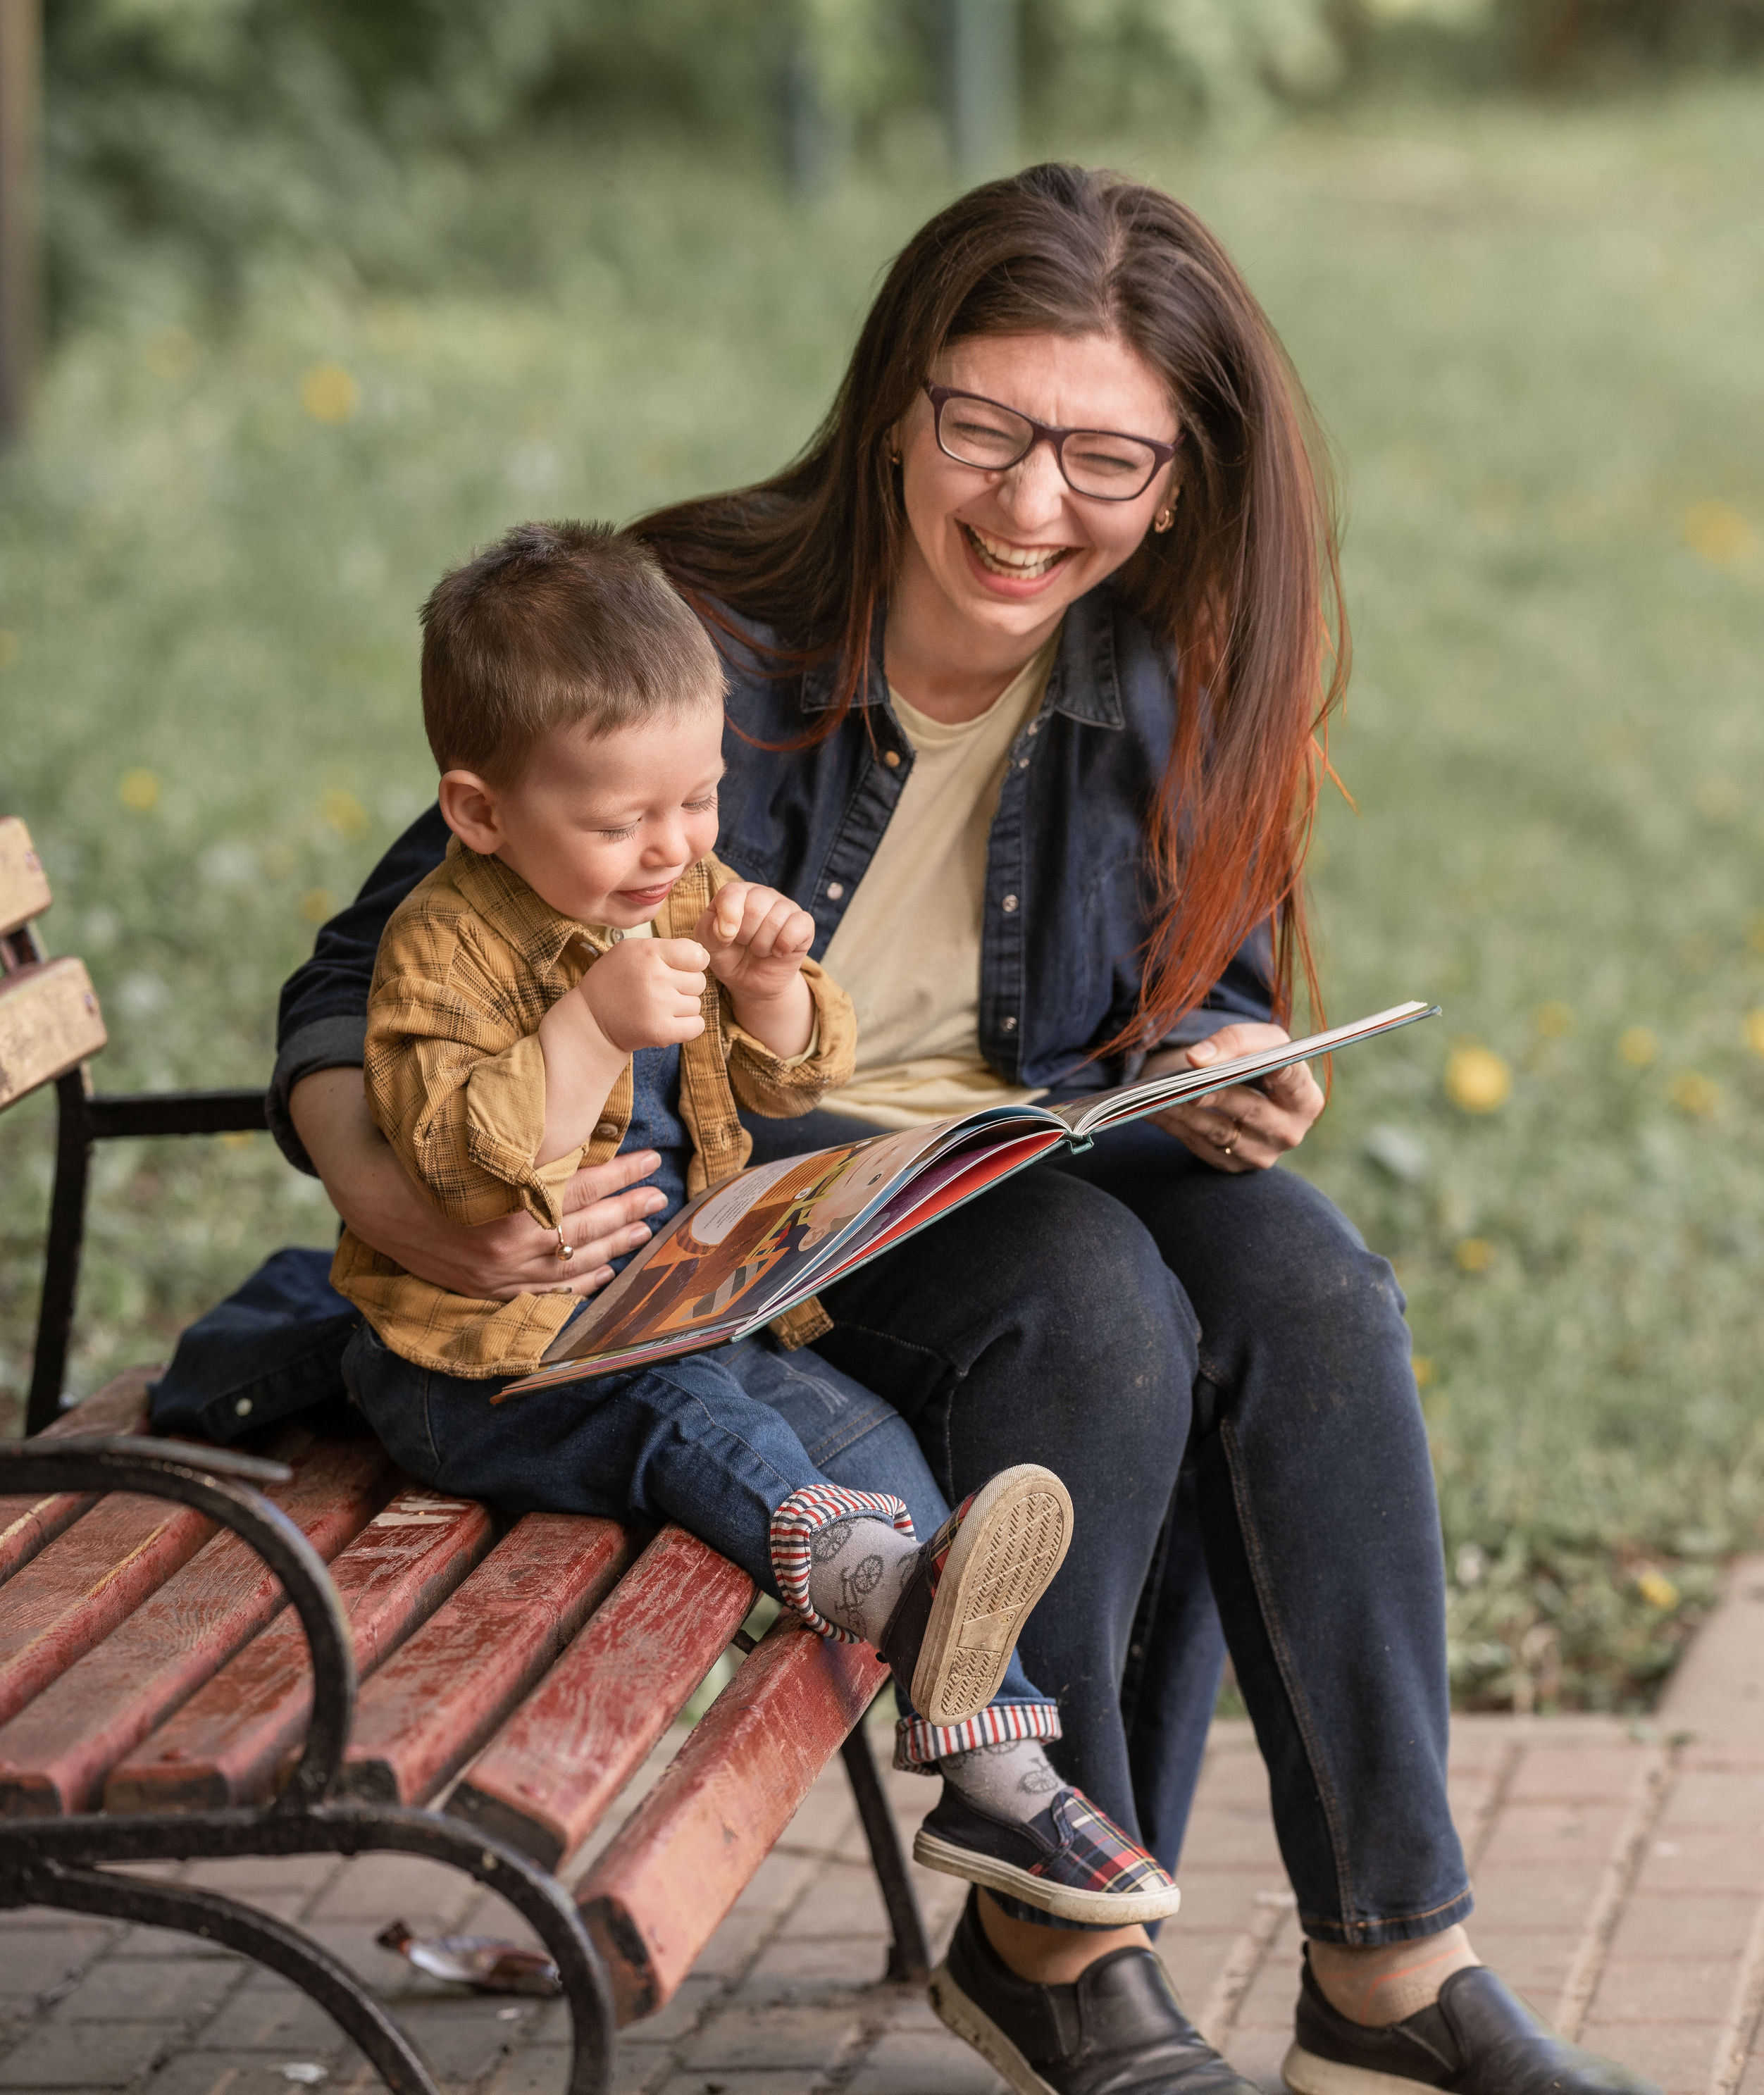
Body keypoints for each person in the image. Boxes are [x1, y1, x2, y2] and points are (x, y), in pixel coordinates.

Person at [269, 168, 1657, 2095]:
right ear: (899, 406)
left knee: (1317, 1284)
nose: (1027, 504)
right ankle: (1051, 1942)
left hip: (1017, 1161)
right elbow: (357, 975)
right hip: (750, 1218)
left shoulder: (1166, 677)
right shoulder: (691, 635)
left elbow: (1196, 977)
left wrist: (1234, 1045)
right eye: (987, 429)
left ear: (1178, 477)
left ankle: (1392, 1967)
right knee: (1090, 1297)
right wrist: (383, 1196)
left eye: (1101, 453)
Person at [336, 515, 1181, 1931]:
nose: (671, 849)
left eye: (699, 802)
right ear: (479, 812)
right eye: (621, 822)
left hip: (669, 1308)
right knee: (691, 1421)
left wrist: (777, 982)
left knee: (862, 1431)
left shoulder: (674, 880)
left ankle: (998, 1770)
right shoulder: (444, 944)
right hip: (484, 1371)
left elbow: (797, 1078)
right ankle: (883, 1594)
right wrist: (587, 1028)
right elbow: (467, 1166)